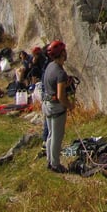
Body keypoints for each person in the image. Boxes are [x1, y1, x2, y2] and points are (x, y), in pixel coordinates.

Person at [41, 40, 75, 173]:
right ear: (61, 54)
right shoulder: (60, 73)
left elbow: (52, 85)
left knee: (50, 134)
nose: (66, 53)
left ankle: (50, 161)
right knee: (57, 136)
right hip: (56, 107)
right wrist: (70, 105)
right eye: (64, 51)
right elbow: (61, 96)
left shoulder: (50, 66)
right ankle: (55, 165)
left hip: (47, 104)